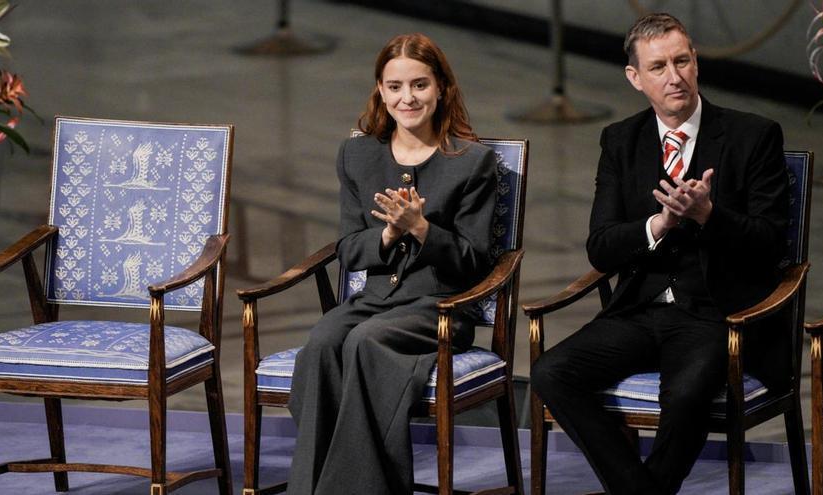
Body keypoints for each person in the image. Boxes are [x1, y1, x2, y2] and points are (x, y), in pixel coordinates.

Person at [530, 13, 789, 495]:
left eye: (683, 61)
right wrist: (659, 224)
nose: (675, 76)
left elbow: (772, 243)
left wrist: (710, 215)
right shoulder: (620, 141)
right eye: (659, 67)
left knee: (686, 395)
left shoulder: (754, 135)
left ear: (695, 63)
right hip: (639, 309)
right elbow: (601, 246)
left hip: (716, 314)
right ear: (635, 78)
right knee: (551, 372)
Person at [286, 33, 498, 495]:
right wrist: (388, 234)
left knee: (365, 341)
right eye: (395, 86)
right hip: (377, 300)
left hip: (441, 310)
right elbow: (347, 248)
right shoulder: (357, 154)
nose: (408, 97)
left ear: (441, 87)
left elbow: (476, 264)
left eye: (420, 85)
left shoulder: (472, 162)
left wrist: (422, 229)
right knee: (323, 342)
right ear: (380, 90)